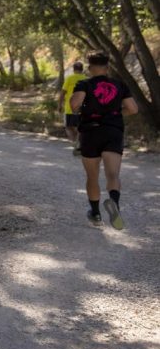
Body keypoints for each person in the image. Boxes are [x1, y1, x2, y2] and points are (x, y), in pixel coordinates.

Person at [70, 52, 138, 229]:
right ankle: (114, 202)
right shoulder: (119, 85)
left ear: (90, 67)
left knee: (93, 176)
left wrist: (82, 108)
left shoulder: (85, 83)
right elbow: (132, 109)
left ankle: (95, 213)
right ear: (107, 67)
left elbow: (75, 105)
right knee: (113, 174)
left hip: (91, 132)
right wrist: (114, 114)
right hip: (113, 131)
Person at [58, 61, 86, 154]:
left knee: (68, 126)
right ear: (82, 70)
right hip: (83, 108)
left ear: (74, 69)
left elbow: (63, 93)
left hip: (70, 108)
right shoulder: (86, 79)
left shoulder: (69, 78)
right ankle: (79, 142)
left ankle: (75, 142)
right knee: (80, 127)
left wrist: (59, 104)